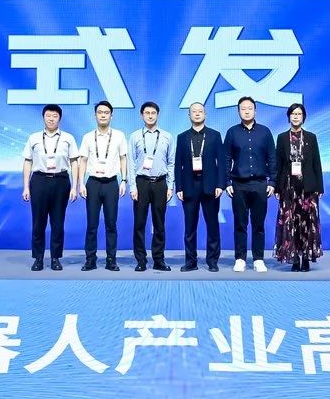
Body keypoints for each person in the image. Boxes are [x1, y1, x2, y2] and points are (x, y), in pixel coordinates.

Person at [21, 104, 79, 272]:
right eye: (48, 116)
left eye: (55, 116)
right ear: (43, 117)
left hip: (61, 181)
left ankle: (55, 258)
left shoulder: (68, 138)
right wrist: (26, 187)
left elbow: (74, 162)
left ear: (59, 118)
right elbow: (27, 162)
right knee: (38, 222)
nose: (51, 119)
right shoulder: (34, 138)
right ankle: (38, 258)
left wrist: (74, 187)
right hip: (39, 180)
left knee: (58, 222)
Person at [77, 99, 130, 271]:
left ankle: (111, 260)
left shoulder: (119, 136)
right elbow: (83, 160)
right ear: (95, 115)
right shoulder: (87, 137)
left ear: (111, 116)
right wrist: (81, 183)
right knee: (92, 224)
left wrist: (124, 180)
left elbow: (123, 158)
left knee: (111, 224)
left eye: (106, 113)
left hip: (111, 184)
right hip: (92, 183)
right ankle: (90, 260)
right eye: (100, 112)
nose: (103, 115)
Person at [224, 96, 275, 273]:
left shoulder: (265, 132)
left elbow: (272, 158)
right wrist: (227, 182)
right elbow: (226, 158)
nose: (246, 111)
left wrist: (272, 181)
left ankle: (259, 259)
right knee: (240, 224)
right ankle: (240, 258)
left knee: (258, 224)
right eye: (243, 108)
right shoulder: (232, 132)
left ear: (255, 110)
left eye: (250, 108)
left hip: (260, 184)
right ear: (238, 111)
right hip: (239, 184)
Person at [173, 102, 225, 271]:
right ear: (189, 115)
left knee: (212, 225)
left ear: (205, 114)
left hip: (210, 186)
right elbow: (178, 164)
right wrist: (179, 187)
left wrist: (220, 184)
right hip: (189, 186)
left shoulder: (215, 135)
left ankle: (212, 261)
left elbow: (221, 162)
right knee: (190, 227)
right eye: (193, 111)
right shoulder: (182, 137)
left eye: (200, 111)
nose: (197, 114)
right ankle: (191, 262)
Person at [274, 102, 323, 271]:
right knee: (291, 223)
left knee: (307, 223)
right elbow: (279, 165)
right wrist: (277, 188)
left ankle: (306, 258)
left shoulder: (311, 137)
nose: (296, 117)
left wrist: (319, 187)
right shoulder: (282, 138)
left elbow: (317, 163)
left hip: (308, 187)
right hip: (288, 187)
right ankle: (294, 258)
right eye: (293, 114)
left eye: (299, 114)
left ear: (303, 117)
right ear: (289, 117)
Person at [129, 101, 174, 272]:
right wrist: (133, 186)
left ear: (157, 115)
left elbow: (171, 162)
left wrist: (170, 186)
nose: (150, 116)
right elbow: (131, 163)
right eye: (147, 113)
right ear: (142, 115)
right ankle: (141, 260)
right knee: (139, 223)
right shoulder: (135, 136)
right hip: (141, 182)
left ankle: (158, 260)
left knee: (159, 223)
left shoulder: (167, 136)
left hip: (161, 183)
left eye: (153, 113)